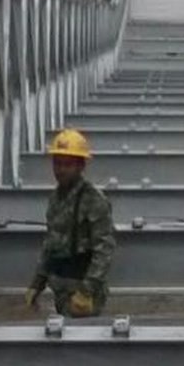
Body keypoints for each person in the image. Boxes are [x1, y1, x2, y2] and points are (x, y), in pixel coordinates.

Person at [25, 129, 116, 317]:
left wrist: (86, 291)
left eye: (68, 164)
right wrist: (37, 283)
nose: (61, 170)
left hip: (83, 289)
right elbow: (50, 244)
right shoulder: (55, 199)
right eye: (57, 163)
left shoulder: (93, 200)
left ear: (81, 166)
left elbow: (104, 249)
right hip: (61, 287)